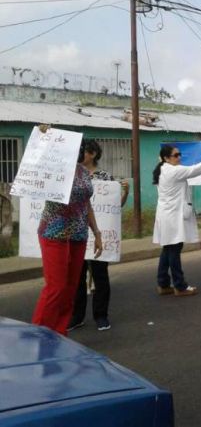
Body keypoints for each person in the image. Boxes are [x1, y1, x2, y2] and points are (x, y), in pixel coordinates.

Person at [33, 128, 103, 336]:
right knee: (56, 288)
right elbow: (35, 157)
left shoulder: (82, 171)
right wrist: (43, 134)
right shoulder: (51, 168)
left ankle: (59, 333)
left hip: (78, 235)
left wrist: (97, 233)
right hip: (54, 233)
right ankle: (37, 335)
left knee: (71, 288)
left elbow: (86, 204)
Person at [68, 139, 129, 332]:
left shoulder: (105, 177)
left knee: (100, 275)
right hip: (77, 231)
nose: (79, 156)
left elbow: (114, 207)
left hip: (99, 234)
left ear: (93, 154)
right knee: (77, 277)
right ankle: (77, 316)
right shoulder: (72, 175)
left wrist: (125, 193)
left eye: (83, 152)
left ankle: (101, 316)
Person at [153, 144, 201, 296]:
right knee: (174, 250)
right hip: (172, 216)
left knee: (167, 250)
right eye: (175, 155)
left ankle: (163, 283)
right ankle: (180, 286)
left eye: (180, 154)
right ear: (166, 158)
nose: (179, 157)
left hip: (167, 215)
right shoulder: (173, 170)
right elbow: (195, 169)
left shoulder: (162, 169)